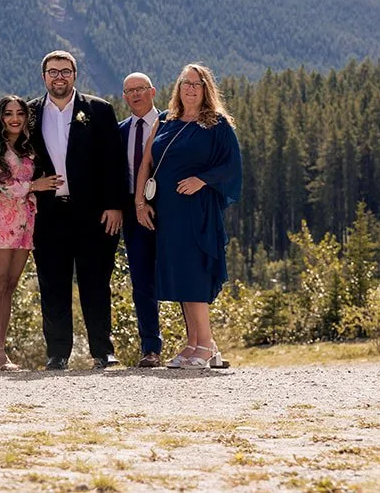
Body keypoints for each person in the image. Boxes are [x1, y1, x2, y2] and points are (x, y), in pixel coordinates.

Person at [134, 63, 242, 371]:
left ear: (206, 89)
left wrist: (202, 180)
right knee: (181, 273)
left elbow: (232, 166)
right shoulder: (165, 120)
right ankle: (194, 342)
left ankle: (204, 344)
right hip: (168, 213)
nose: (190, 88)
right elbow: (146, 163)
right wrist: (140, 202)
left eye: (197, 83)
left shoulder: (217, 124)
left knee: (194, 273)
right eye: (185, 83)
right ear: (178, 88)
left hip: (197, 210)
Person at [28, 50, 128, 370]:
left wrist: (115, 205)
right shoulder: (29, 113)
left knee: (95, 283)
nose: (59, 77)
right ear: (44, 76)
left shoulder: (98, 110)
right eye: (53, 72)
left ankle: (103, 351)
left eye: (65, 71)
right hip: (47, 214)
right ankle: (57, 353)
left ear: (75, 75)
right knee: (52, 284)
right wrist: (30, 186)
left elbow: (115, 161)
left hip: (93, 214)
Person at [0, 95, 57, 370]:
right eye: (8, 113)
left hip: (25, 221)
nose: (14, 118)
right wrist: (33, 186)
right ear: (0, 118)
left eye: (20, 113)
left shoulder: (27, 146)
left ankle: (0, 349)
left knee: (10, 285)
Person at [120, 72, 165, 367]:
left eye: (140, 89)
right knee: (142, 282)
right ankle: (151, 348)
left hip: (169, 209)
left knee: (181, 275)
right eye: (129, 91)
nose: (135, 95)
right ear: (125, 97)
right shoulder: (120, 130)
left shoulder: (170, 125)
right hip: (132, 213)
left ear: (153, 91)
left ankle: (197, 344)